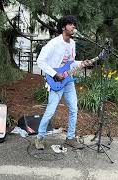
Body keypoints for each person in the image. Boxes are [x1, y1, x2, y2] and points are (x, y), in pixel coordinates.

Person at [35, 15, 92, 150]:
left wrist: (83, 63)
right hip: (55, 81)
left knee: (74, 109)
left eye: (74, 24)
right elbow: (40, 61)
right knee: (50, 111)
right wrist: (55, 74)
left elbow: (70, 63)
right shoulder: (54, 43)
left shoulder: (72, 43)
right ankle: (39, 138)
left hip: (68, 81)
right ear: (63, 27)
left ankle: (70, 138)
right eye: (70, 24)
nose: (73, 27)